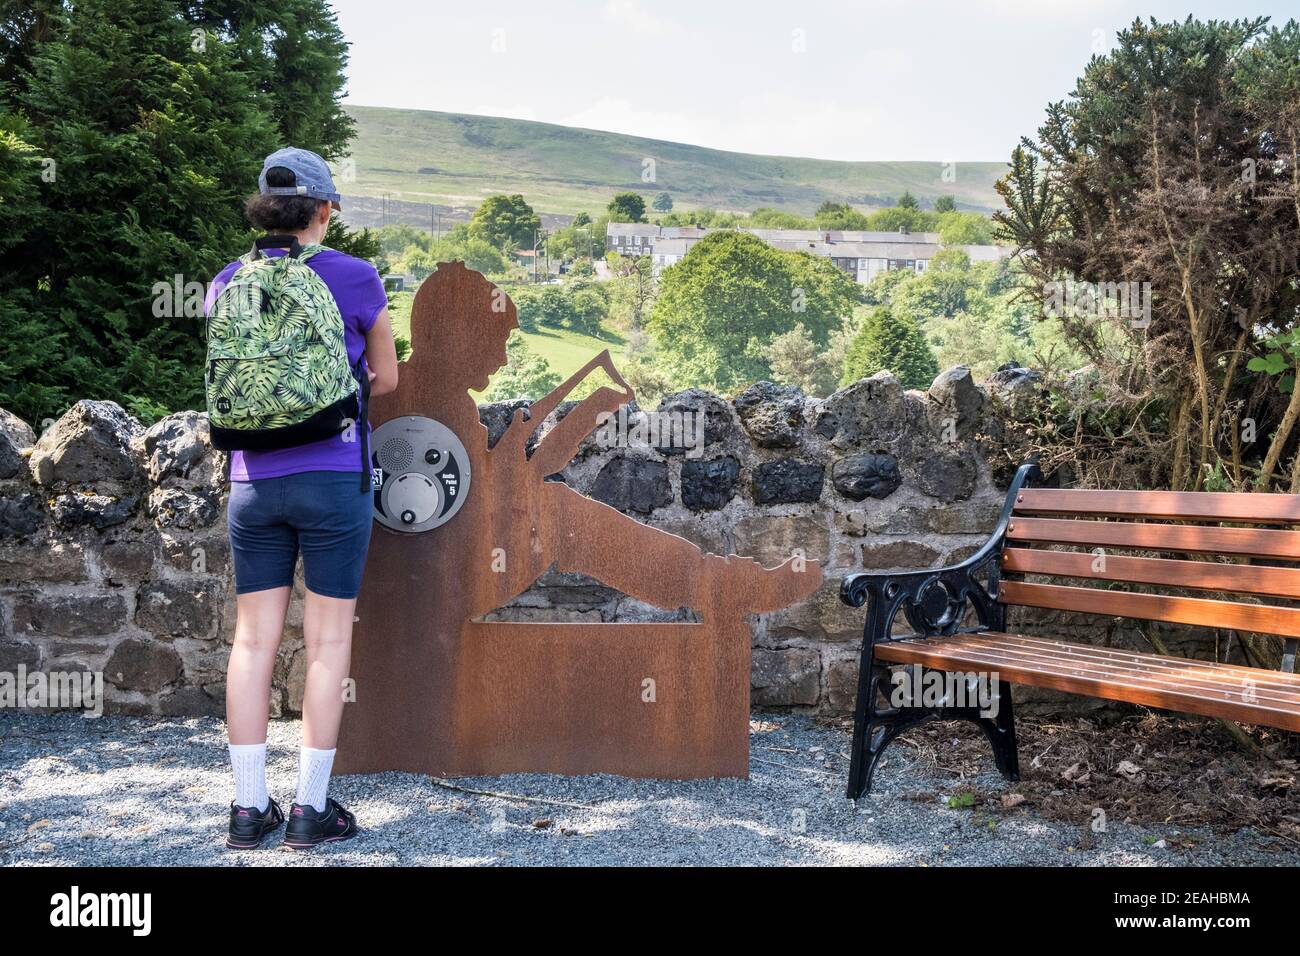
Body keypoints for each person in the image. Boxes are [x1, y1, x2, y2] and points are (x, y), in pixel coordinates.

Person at [204, 147, 398, 849]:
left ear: (264, 209)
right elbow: (388, 378)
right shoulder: (355, 277)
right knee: (327, 640)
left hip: (253, 484)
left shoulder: (226, 281)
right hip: (334, 477)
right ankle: (311, 811)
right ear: (324, 209)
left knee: (252, 641)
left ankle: (248, 811)